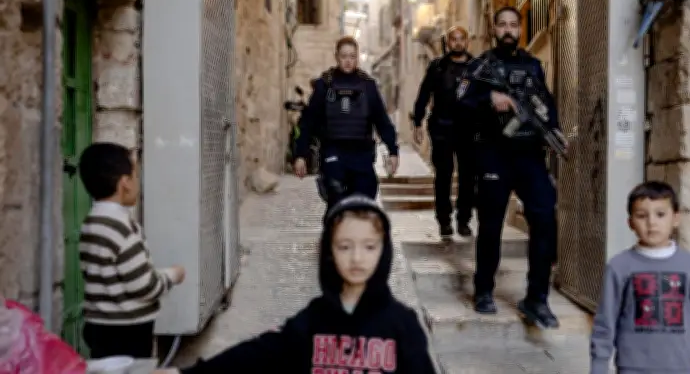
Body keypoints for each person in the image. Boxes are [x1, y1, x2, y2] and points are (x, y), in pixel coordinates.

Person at [155, 195, 438, 373]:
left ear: (383, 251)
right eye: (344, 246)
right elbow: (258, 355)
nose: (356, 258)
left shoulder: (402, 325)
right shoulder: (315, 320)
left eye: (369, 246)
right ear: (329, 251)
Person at [457, 6, 562, 327]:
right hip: (494, 153)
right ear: (494, 29)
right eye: (502, 24)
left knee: (544, 218)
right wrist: (488, 99)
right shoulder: (480, 67)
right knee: (490, 225)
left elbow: (545, 101)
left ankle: (537, 298)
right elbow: (460, 101)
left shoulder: (532, 65)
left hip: (529, 155)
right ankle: (484, 290)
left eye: (513, 25)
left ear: (520, 29)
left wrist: (554, 130)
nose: (507, 30)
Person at [590, 181, 690, 374]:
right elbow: (605, 323)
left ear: (675, 218)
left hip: (681, 367)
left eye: (660, 214)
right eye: (641, 216)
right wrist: (598, 367)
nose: (651, 222)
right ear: (630, 223)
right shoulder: (619, 267)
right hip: (632, 368)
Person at [77, 143, 186, 358]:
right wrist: (173, 275)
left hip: (98, 326)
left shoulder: (91, 222)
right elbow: (145, 287)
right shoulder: (123, 228)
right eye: (135, 175)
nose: (138, 182)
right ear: (125, 183)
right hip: (128, 331)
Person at [293, 36, 399, 211]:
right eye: (344, 56)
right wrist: (300, 155)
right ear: (336, 57)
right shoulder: (324, 85)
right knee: (336, 202)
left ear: (357, 57)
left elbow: (382, 121)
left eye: (352, 56)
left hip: (362, 155)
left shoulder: (368, 86)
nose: (348, 61)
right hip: (334, 153)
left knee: (364, 205)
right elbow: (308, 122)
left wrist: (393, 150)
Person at [412, 26, 476, 238]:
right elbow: (424, 94)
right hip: (442, 128)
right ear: (448, 42)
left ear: (466, 41)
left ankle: (464, 220)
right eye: (453, 39)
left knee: (468, 176)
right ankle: (444, 220)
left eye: (461, 39)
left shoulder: (476, 67)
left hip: (468, 130)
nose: (457, 43)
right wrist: (417, 122)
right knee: (443, 175)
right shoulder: (437, 67)